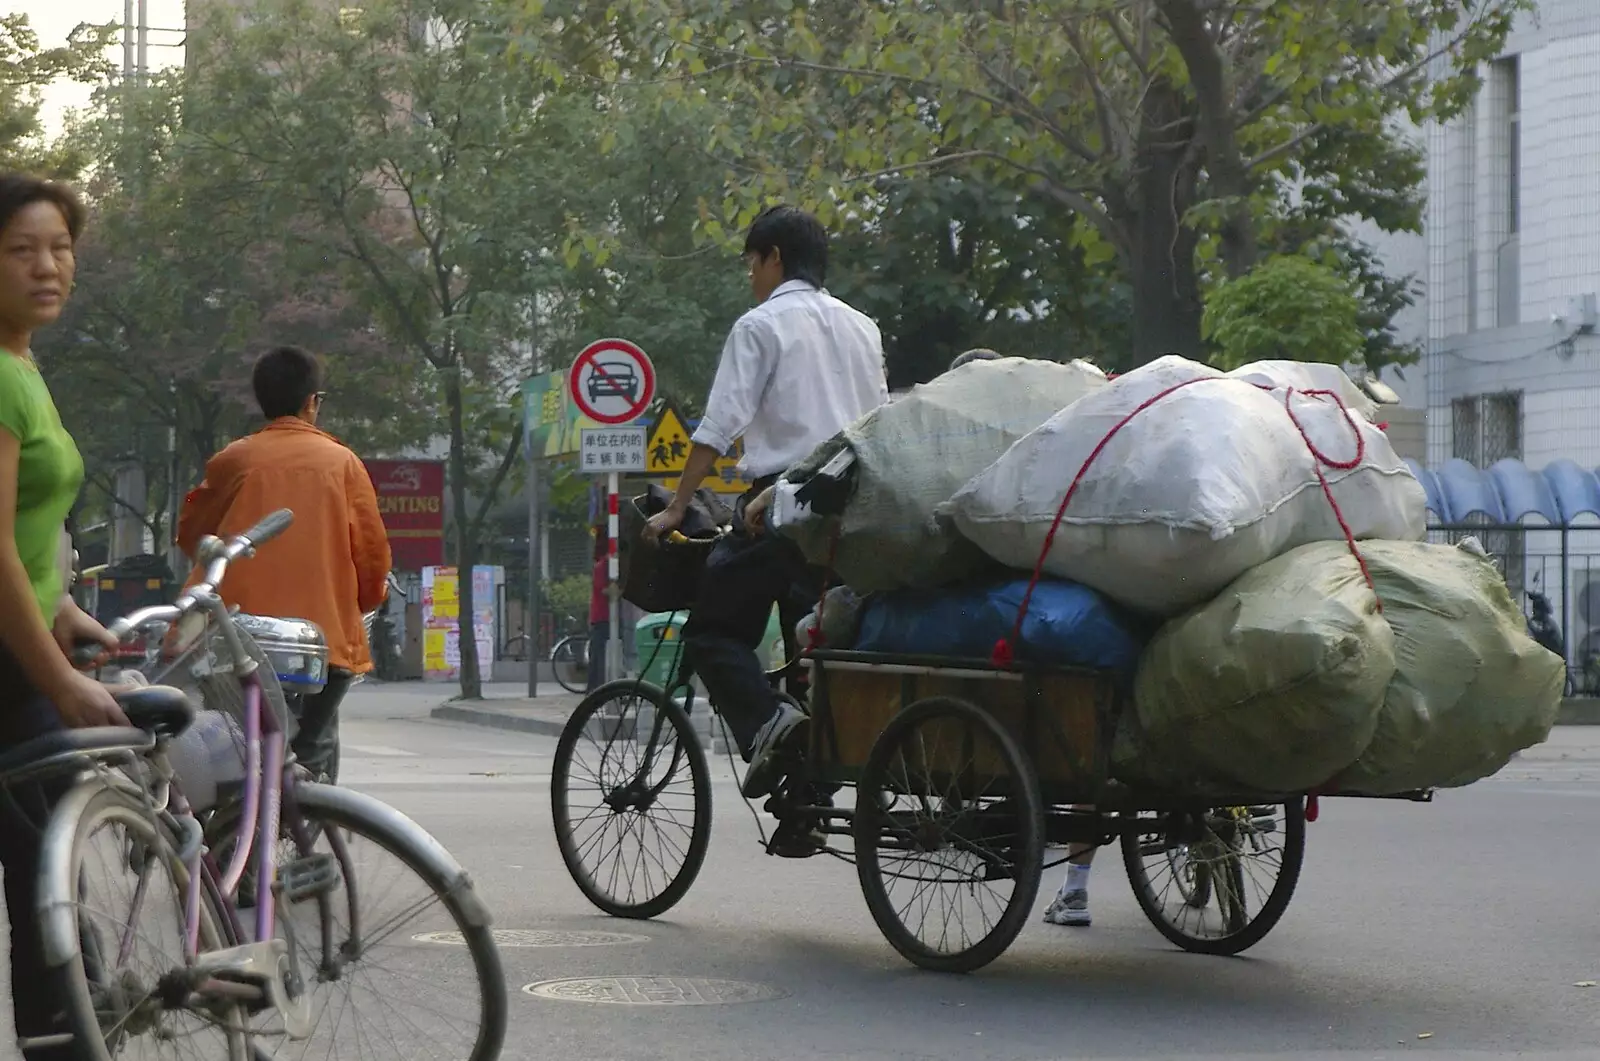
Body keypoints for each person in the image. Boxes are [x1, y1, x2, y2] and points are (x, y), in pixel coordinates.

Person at [644, 205, 887, 851]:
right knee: (814, 659)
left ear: (773, 256)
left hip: (781, 506)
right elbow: (878, 424)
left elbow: (719, 425)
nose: (750, 277)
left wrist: (677, 505)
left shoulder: (761, 326)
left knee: (713, 631)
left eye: (752, 263)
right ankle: (804, 808)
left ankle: (762, 728)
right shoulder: (863, 328)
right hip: (854, 511)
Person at [0, 173, 129, 1061]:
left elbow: (25, 528)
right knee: (48, 897)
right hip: (11, 672)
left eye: (61, 248)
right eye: (21, 250)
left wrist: (67, 607)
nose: (49, 266)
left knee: (50, 888)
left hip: (27, 649)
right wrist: (62, 682)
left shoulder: (22, 361)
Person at [178, 346, 391, 784]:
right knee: (313, 747)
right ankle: (308, 823)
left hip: (238, 640)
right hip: (322, 642)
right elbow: (371, 558)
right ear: (312, 401)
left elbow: (193, 538)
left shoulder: (235, 459)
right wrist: (369, 599)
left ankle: (229, 836)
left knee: (234, 744)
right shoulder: (343, 464)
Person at [586, 524, 609, 692]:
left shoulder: (602, 563)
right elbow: (605, 589)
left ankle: (594, 689)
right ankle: (597, 689)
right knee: (601, 656)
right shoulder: (605, 563)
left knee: (599, 655)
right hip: (604, 616)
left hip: (599, 616)